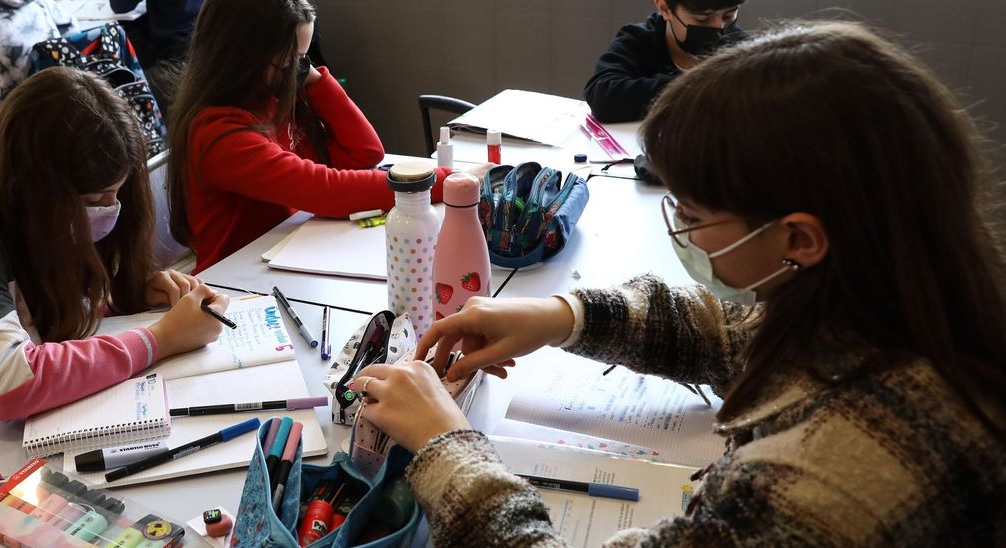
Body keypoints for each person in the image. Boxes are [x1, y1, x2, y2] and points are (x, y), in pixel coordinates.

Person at [355, 22, 1006, 546]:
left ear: (800, 238)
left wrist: (446, 449)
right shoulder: (902, 306)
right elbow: (736, 335)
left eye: (693, 216)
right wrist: (561, 316)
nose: (682, 234)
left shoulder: (831, 486)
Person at [0, 67, 229, 460]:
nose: (109, 211)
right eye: (95, 201)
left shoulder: (36, 221)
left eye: (117, 194)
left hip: (54, 433)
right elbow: (10, 383)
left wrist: (124, 299)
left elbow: (43, 328)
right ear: (38, 189)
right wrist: (158, 339)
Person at [165, 0, 458, 273]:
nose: (297, 72)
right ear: (243, 55)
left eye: (303, 60)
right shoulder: (219, 133)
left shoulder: (275, 98)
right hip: (234, 279)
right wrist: (447, 181)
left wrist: (315, 80)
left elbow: (364, 154)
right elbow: (327, 189)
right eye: (289, 63)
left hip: (284, 253)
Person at [583, 0, 747, 123]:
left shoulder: (741, 47)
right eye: (702, 19)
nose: (719, 28)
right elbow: (602, 97)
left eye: (728, 16)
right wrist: (699, 85)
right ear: (665, 8)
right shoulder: (639, 40)